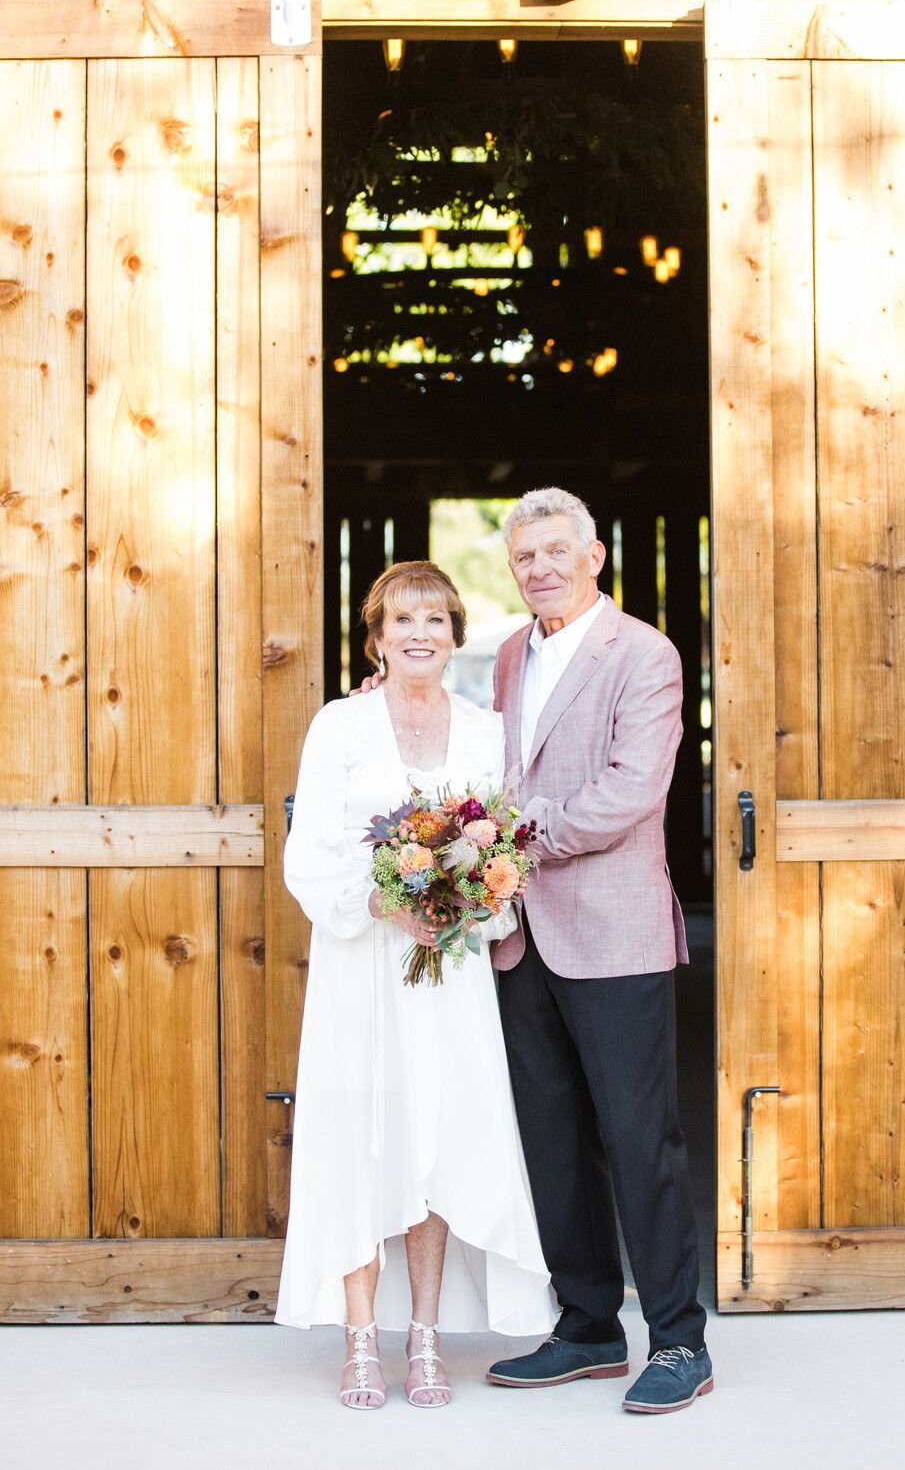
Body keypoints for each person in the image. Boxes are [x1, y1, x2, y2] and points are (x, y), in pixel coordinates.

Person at [275, 560, 554, 1412]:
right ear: (378, 637)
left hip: (449, 968)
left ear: (457, 633)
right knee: (362, 1134)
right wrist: (378, 902)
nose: (420, 633)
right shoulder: (339, 725)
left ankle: (425, 1335)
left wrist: (475, 899)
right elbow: (310, 852)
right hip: (363, 965)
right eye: (403, 620)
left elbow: (499, 846)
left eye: (435, 618)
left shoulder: (482, 729)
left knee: (436, 1136)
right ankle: (362, 1338)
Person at [484, 487, 711, 1415]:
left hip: (614, 935)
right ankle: (586, 1329)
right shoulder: (505, 655)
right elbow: (485, 764)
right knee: (552, 1140)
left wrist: (518, 840)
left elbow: (630, 793)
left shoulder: (643, 655)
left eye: (553, 552)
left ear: (594, 557)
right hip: (520, 937)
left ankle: (678, 1340)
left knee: (637, 1137)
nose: (539, 569)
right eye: (524, 557)